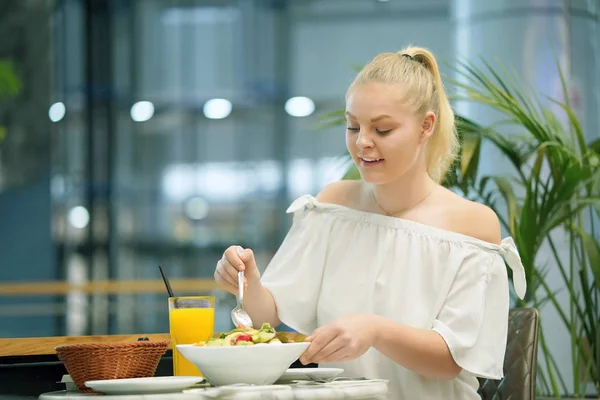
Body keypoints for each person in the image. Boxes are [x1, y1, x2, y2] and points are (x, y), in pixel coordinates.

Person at [214, 45, 527, 400]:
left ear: (426, 126)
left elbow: (451, 360)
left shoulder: (471, 225)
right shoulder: (332, 207)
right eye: (353, 126)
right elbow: (265, 318)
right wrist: (247, 282)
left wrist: (375, 330)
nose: (362, 142)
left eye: (382, 129)